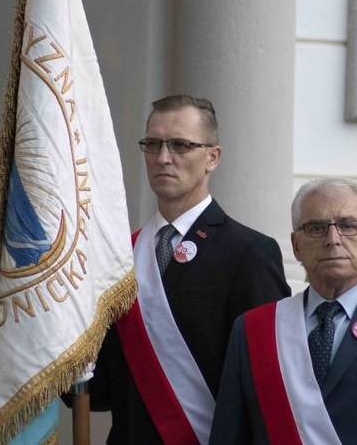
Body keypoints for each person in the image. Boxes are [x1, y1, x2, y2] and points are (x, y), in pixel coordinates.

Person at [88, 94, 291, 444]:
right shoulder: (121, 255)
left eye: (180, 145)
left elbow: (266, 381)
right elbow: (100, 389)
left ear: (212, 157)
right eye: (153, 144)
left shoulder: (249, 253)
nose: (163, 158)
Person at [209, 177, 357, 444]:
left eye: (348, 226)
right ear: (296, 246)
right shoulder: (253, 330)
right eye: (316, 227)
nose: (333, 239)